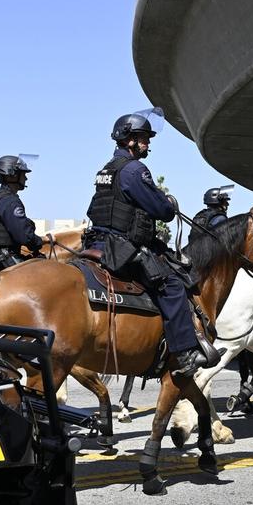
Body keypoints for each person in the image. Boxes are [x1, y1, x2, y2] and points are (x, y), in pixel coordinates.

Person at [85, 108, 207, 378]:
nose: (147, 143)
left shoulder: (107, 169)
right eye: (142, 138)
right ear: (128, 138)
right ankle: (185, 352)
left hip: (100, 242)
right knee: (172, 285)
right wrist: (168, 203)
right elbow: (162, 211)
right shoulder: (134, 170)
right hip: (123, 248)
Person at [0, 155, 47, 271]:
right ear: (13, 175)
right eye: (23, 175)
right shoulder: (11, 202)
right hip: (6, 259)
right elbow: (24, 236)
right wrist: (38, 242)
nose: (25, 179)